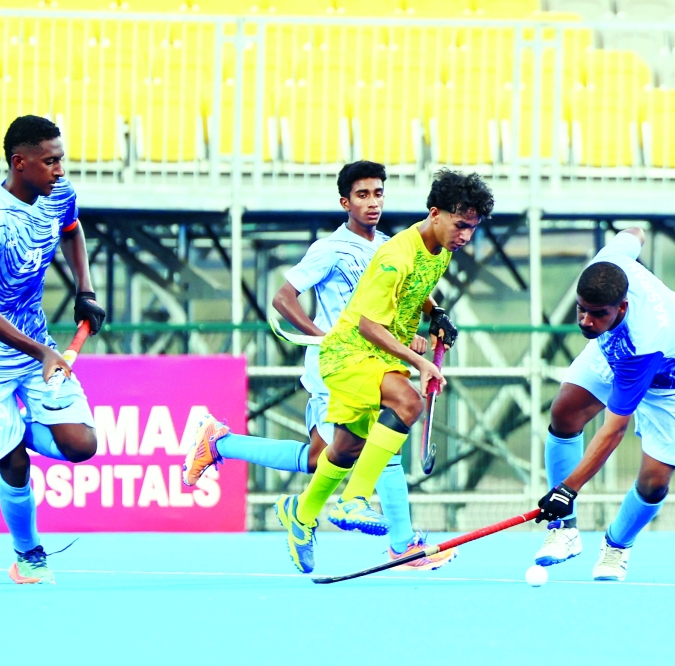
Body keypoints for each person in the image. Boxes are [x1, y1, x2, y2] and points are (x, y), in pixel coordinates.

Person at [182, 161, 454, 570]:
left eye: (378, 193)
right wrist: (325, 337)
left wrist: (429, 317)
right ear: (346, 203)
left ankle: (225, 446)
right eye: (362, 195)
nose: (372, 202)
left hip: (373, 358)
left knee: (326, 456)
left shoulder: (390, 246)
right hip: (339, 363)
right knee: (379, 441)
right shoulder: (330, 249)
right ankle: (402, 544)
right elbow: (283, 298)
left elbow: (403, 297)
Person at [272, 169, 494, 573]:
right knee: (407, 402)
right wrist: (420, 362)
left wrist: (436, 312)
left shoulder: (439, 249)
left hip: (376, 357)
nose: (465, 235)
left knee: (344, 450)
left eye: (473, 227)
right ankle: (354, 501)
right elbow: (368, 325)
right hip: (349, 355)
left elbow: (416, 288)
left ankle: (300, 515)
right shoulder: (395, 256)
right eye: (460, 225)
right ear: (435, 214)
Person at [0, 115, 106, 585]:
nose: (60, 170)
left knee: (82, 446)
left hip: (31, 339)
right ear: (20, 163)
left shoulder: (59, 193)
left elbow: (71, 229)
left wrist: (85, 289)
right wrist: (43, 354)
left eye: (61, 159)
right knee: (14, 464)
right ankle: (29, 556)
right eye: (50, 161)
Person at [533, 227, 675, 581]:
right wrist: (635, 232)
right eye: (581, 310)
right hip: (617, 346)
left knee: (654, 481)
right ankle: (564, 530)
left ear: (623, 306)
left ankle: (616, 546)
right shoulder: (608, 262)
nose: (586, 322)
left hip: (672, 379)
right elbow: (634, 232)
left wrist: (567, 489)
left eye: (597, 314)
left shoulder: (644, 341)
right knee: (565, 410)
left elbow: (614, 430)